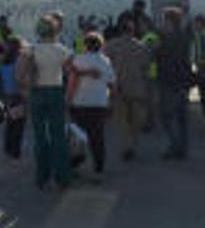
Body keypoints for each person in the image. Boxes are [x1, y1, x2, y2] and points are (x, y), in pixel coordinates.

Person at [22, 16, 73, 190]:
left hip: (37, 93)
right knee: (58, 136)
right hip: (56, 92)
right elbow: (69, 73)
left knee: (40, 136)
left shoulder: (31, 50)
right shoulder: (62, 50)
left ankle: (42, 177)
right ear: (55, 30)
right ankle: (62, 177)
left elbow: (20, 75)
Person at [68, 32, 115, 180]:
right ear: (101, 45)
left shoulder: (78, 60)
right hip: (99, 104)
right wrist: (111, 101)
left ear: (85, 45)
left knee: (79, 136)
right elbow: (112, 83)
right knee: (97, 138)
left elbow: (71, 82)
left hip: (79, 103)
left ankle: (74, 165)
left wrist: (67, 100)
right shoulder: (105, 61)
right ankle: (98, 170)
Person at [103, 18, 152, 161]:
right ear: (132, 31)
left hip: (119, 88)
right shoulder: (141, 46)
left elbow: (104, 62)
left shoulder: (111, 45)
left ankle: (126, 147)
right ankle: (133, 146)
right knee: (136, 121)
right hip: (137, 88)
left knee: (122, 121)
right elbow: (147, 67)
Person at [155, 8, 192, 160]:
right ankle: (182, 149)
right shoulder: (185, 38)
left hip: (169, 82)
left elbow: (160, 57)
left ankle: (173, 147)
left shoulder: (165, 39)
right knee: (182, 119)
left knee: (166, 117)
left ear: (169, 21)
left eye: (164, 20)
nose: (162, 23)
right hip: (183, 81)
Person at [0, 36, 28, 162]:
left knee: (10, 123)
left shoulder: (3, 61)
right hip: (18, 96)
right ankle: (15, 150)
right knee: (18, 125)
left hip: (7, 96)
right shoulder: (19, 62)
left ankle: (8, 148)